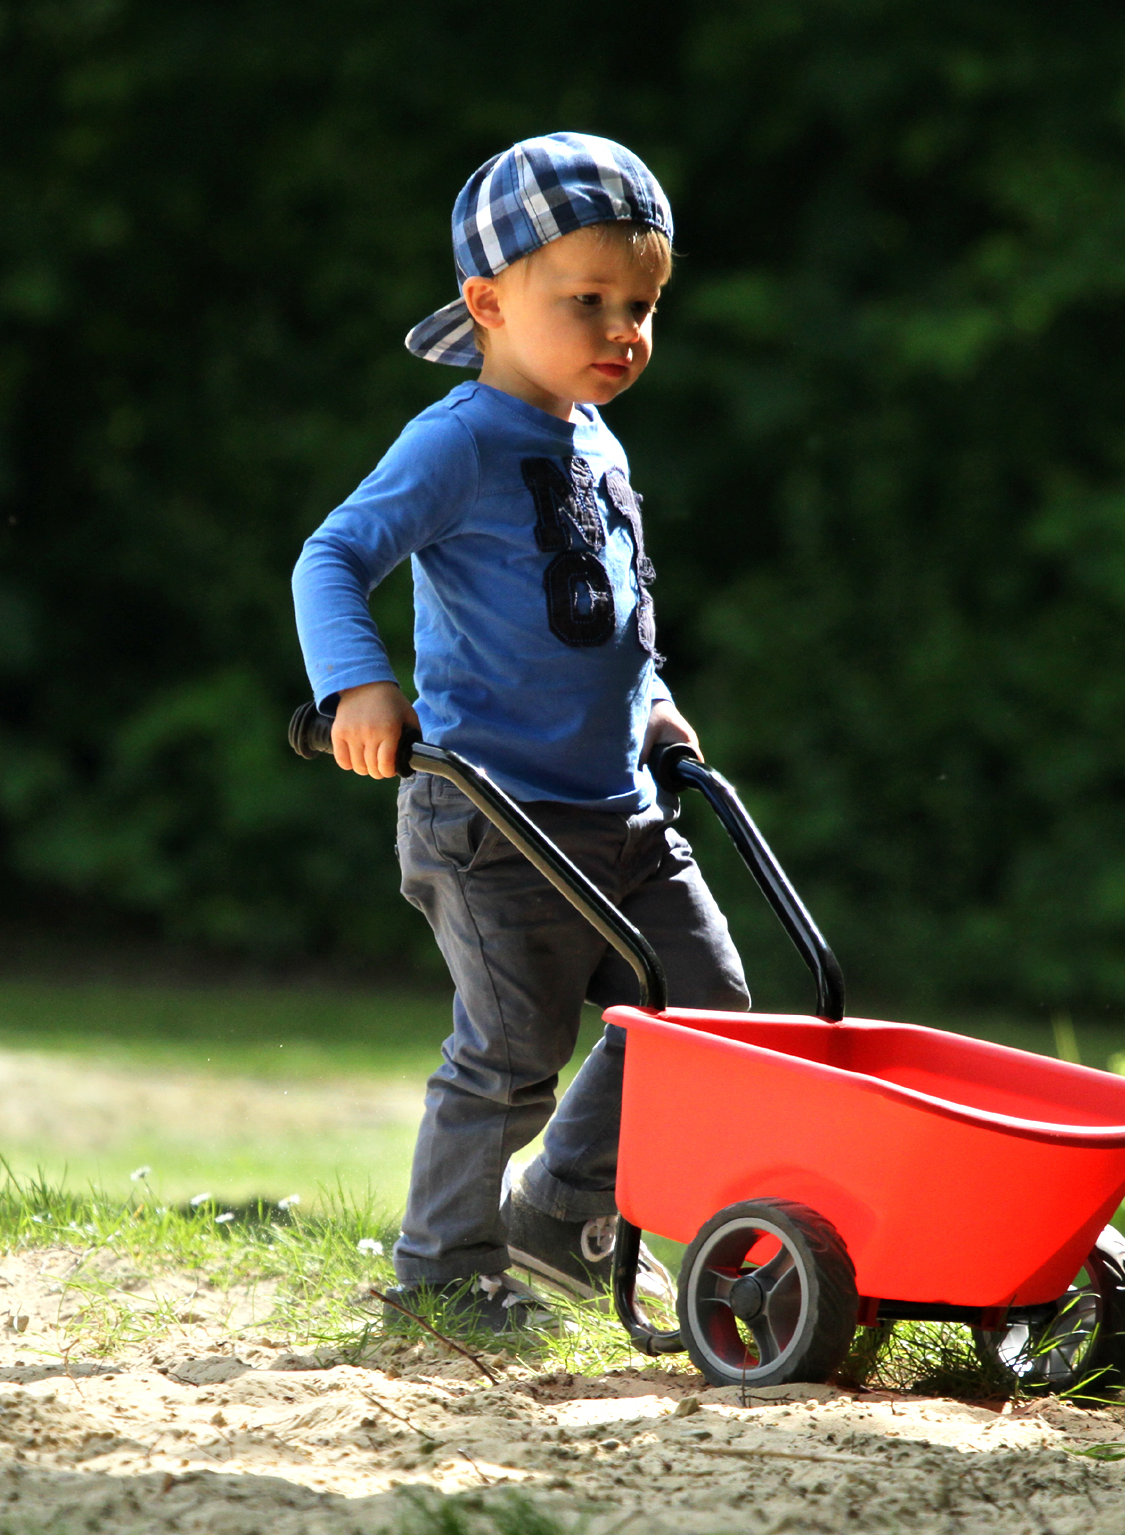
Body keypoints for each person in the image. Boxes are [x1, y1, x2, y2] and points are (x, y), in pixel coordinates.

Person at [291, 133, 750, 1332]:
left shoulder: (596, 439)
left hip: (619, 811)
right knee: (511, 1052)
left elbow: (606, 604)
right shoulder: (458, 440)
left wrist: (650, 700)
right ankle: (440, 1270)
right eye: (586, 300)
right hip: (492, 815)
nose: (621, 329)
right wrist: (357, 686)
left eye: (640, 305)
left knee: (706, 1014)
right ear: (488, 303)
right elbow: (332, 554)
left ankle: (557, 1211)